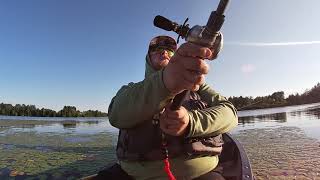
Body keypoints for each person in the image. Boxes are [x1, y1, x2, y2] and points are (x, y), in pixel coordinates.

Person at [108, 35, 238, 180]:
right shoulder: (130, 89)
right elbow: (115, 115)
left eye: (170, 51)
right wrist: (165, 82)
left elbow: (230, 113)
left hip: (203, 173)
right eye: (156, 49)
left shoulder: (200, 87)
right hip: (131, 176)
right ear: (148, 58)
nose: (163, 52)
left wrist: (191, 122)